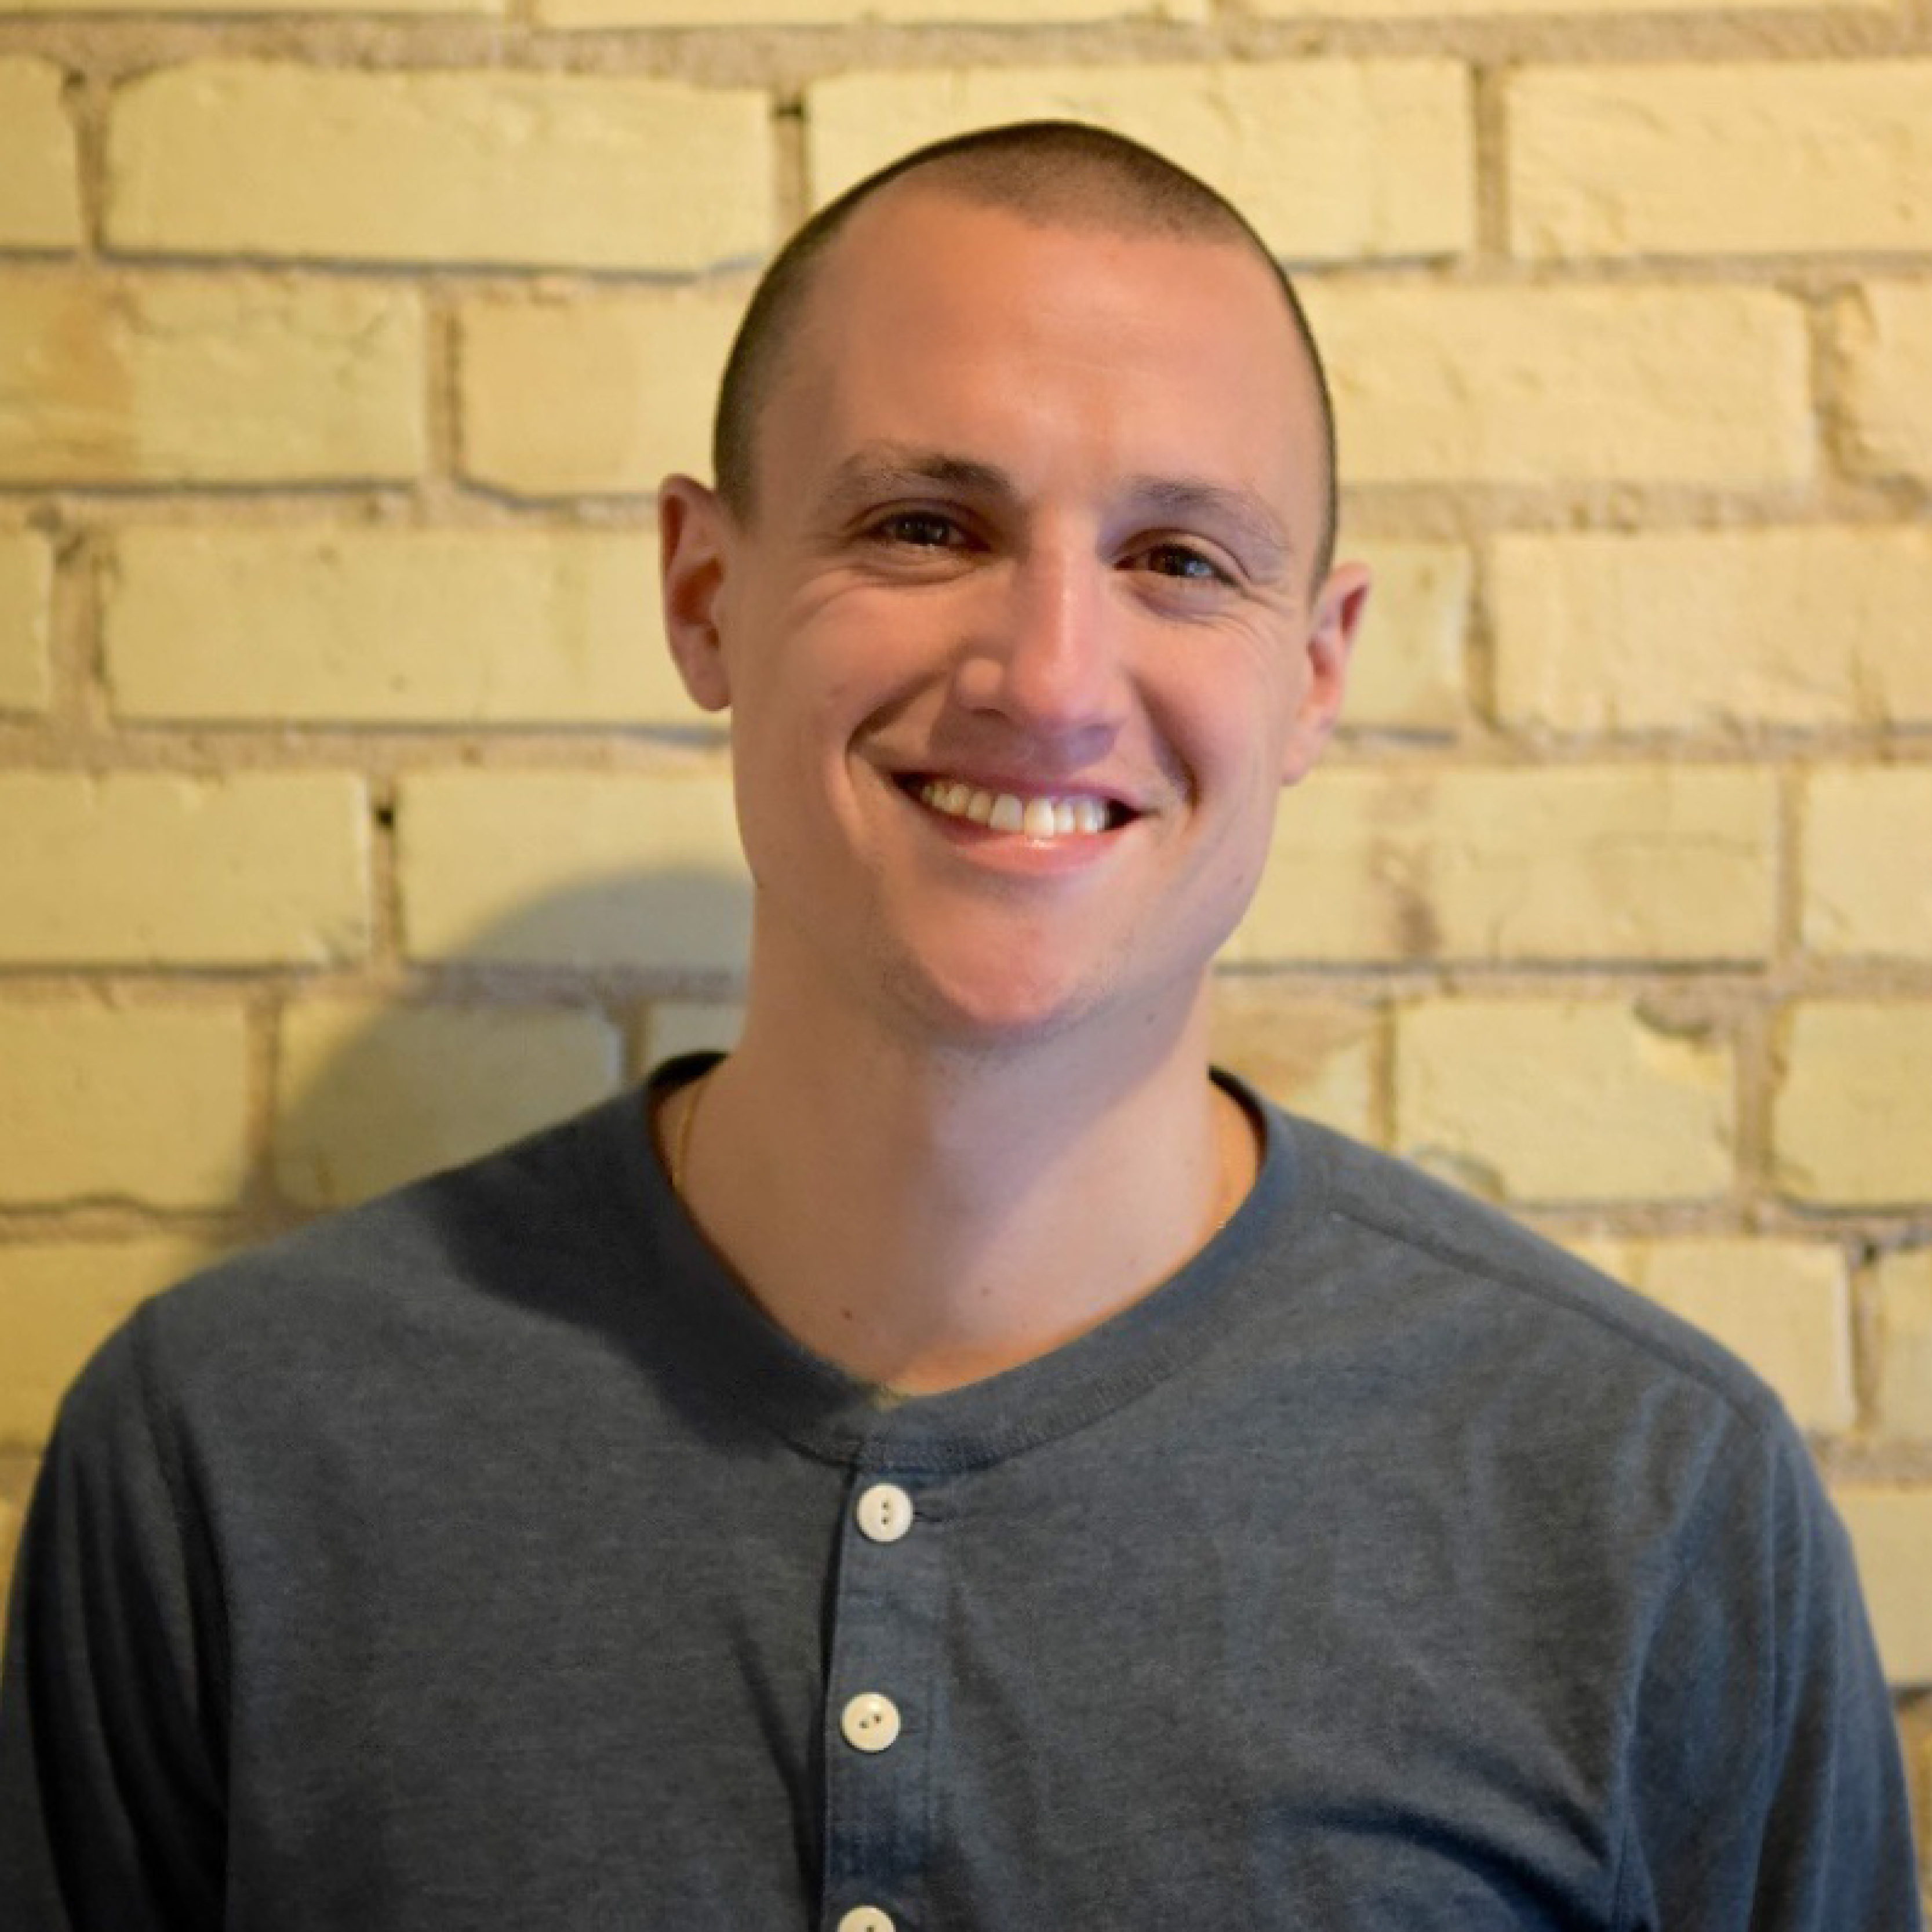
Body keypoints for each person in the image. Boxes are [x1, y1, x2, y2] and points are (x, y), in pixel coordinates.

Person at [0, 122, 1919, 1931]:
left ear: (1317, 675)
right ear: (704, 592)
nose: (1053, 679)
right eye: (924, 525)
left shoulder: (1650, 1501)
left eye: (1180, 560)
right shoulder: (225, 1453)